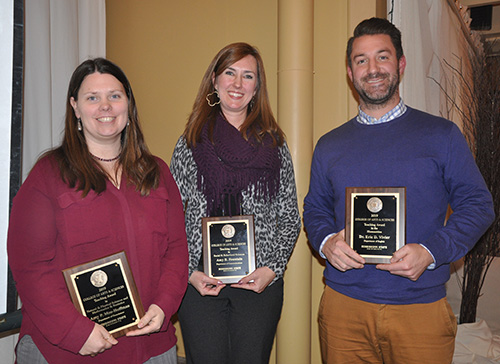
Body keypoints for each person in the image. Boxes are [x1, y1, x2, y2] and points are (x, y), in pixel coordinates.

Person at [303, 17, 495, 364]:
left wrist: (431, 251)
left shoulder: (442, 135)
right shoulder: (329, 145)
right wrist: (327, 242)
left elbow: (479, 205)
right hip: (343, 308)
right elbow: (314, 209)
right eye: (361, 60)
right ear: (350, 72)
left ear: (401, 64)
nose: (372, 68)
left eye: (382, 56)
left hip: (420, 309)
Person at [7, 58, 188, 364]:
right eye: (93, 98)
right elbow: (30, 266)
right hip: (69, 351)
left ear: (128, 106)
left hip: (151, 347)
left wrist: (163, 307)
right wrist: (74, 332)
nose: (105, 106)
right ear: (75, 107)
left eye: (115, 96)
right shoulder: (48, 175)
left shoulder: (156, 172)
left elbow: (176, 249)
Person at [170, 42, 301, 364]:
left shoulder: (274, 142)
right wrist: (188, 273)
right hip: (201, 284)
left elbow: (289, 215)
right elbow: (169, 216)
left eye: (248, 76)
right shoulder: (190, 142)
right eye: (230, 73)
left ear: (257, 87)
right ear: (214, 80)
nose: (238, 84)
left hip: (259, 283)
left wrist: (273, 268)